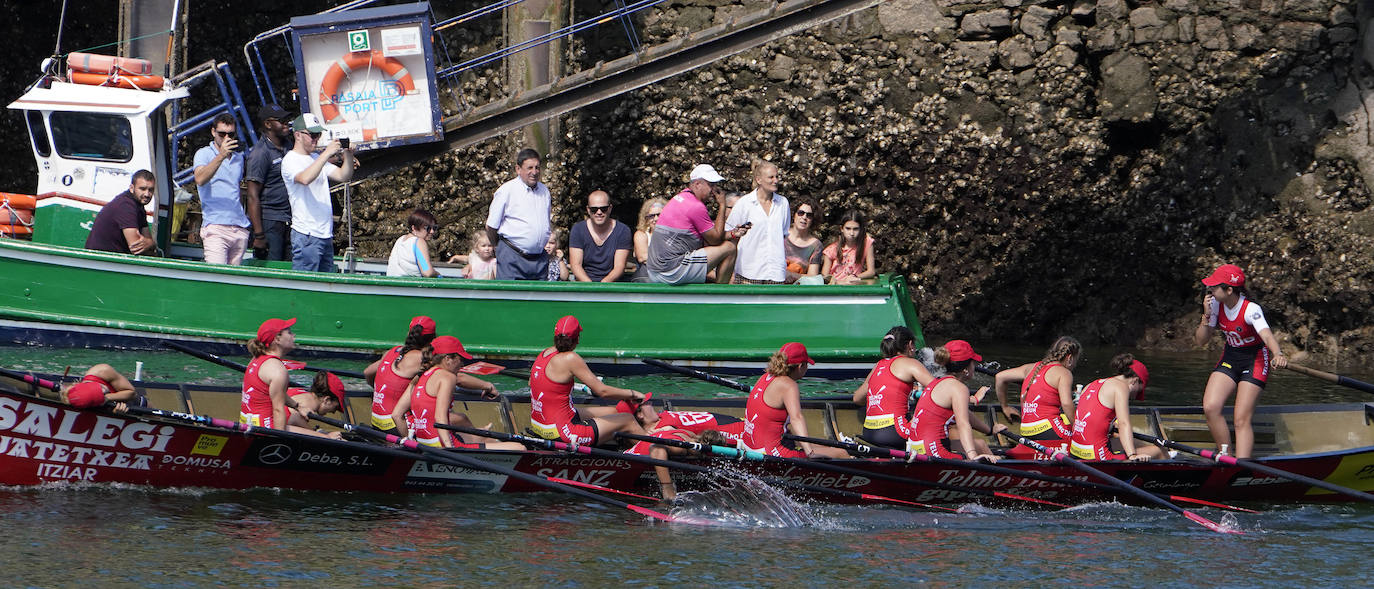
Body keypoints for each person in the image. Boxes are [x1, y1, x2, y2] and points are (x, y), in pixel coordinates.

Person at [1195, 263, 1288, 458]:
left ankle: (1243, 465)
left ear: (1229, 290)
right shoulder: (1215, 305)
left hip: (1255, 361)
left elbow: (1267, 336)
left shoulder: (1251, 309)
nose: (1210, 289)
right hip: (1231, 357)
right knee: (1210, 407)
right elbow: (1201, 340)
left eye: (1215, 286)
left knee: (1240, 419)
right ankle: (1225, 456)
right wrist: (1207, 314)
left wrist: (1278, 354)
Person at [529, 315, 648, 445]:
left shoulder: (544, 354)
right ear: (577, 339)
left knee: (616, 411)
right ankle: (654, 454)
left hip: (540, 426)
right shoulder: (570, 358)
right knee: (628, 419)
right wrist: (633, 394)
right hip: (564, 432)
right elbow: (603, 391)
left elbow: (531, 382)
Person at [389, 336, 520, 449]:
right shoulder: (447, 377)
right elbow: (440, 419)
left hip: (424, 443)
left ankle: (483, 437)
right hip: (441, 445)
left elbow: (396, 415)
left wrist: (411, 442)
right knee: (519, 447)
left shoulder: (420, 376)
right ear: (448, 359)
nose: (462, 364)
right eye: (460, 359)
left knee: (475, 433)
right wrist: (450, 449)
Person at [740, 342, 848, 458]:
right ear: (800, 366)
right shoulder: (789, 385)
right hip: (769, 452)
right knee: (841, 453)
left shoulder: (765, 377)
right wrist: (810, 452)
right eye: (807, 364)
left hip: (749, 446)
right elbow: (796, 418)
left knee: (822, 445)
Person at [908, 340, 1007, 462]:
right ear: (965, 369)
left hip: (915, 447)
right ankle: (998, 478)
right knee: (979, 452)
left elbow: (965, 414)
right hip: (933, 450)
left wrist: (990, 430)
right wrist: (973, 456)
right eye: (973, 363)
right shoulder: (959, 388)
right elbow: (963, 424)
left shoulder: (935, 382)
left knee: (980, 444)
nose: (974, 367)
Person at [646, 164, 745, 285]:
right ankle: (721, 295)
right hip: (670, 272)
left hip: (654, 271)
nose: (714, 190)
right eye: (711, 185)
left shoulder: (680, 197)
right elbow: (715, 241)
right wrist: (722, 205)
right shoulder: (696, 206)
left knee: (726, 242)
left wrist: (732, 234)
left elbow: (708, 237)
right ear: (697, 184)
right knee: (729, 248)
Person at [281, 113, 354, 272]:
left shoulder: (315, 157)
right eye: (313, 135)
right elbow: (305, 178)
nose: (316, 139)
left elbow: (343, 176)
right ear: (298, 135)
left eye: (318, 135)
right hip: (306, 235)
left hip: (325, 234)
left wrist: (348, 154)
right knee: (305, 287)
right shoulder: (290, 160)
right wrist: (326, 154)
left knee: (325, 287)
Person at [993, 336, 1082, 460]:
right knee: (1084, 441)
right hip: (1048, 429)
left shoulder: (1031, 367)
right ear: (1070, 358)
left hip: (1026, 430)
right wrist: (1079, 429)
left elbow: (999, 377)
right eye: (1076, 360)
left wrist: (1005, 406)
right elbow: (1067, 404)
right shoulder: (1064, 373)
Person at [1070, 354, 1167, 461]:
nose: (1134, 397)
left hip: (1075, 451)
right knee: (1160, 451)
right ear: (1134, 381)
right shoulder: (1121, 387)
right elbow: (1123, 424)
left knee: (1132, 442)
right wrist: (1132, 456)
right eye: (1138, 391)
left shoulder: (1092, 384)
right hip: (1097, 456)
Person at [852, 326, 933, 448]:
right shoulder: (910, 363)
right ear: (910, 345)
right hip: (896, 433)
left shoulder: (878, 366)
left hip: (869, 432)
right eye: (914, 346)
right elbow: (938, 389)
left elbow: (857, 399)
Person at [193, 112, 251, 265]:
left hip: (239, 226)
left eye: (230, 134)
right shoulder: (203, 154)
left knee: (234, 282)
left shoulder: (239, 157)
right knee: (217, 277)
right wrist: (221, 156)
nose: (226, 138)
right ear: (213, 132)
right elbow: (199, 179)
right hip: (215, 226)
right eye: (222, 134)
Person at [364, 315, 438, 434]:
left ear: (409, 332)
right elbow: (458, 378)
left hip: (376, 421)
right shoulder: (423, 358)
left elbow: (367, 372)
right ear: (433, 338)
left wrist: (382, 391)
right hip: (396, 426)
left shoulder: (392, 351)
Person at [486, 148, 551, 280]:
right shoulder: (507, 190)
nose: (534, 172)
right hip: (512, 256)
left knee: (539, 299)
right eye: (530, 168)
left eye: (537, 168)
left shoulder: (545, 191)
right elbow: (491, 226)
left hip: (539, 259)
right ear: (518, 169)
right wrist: (498, 248)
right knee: (510, 298)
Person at [724, 161, 789, 284]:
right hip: (748, 271)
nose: (775, 180)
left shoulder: (783, 203)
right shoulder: (744, 203)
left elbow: (783, 234)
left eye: (777, 176)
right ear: (759, 179)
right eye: (771, 177)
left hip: (776, 273)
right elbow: (728, 232)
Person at [244, 104, 294, 261]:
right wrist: (259, 235)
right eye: (282, 120)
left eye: (287, 119)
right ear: (268, 124)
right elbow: (252, 196)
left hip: (290, 219)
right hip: (270, 222)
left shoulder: (288, 146)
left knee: (290, 270)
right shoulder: (260, 154)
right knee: (273, 268)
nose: (287, 123)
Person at [240, 317, 298, 430]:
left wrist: (297, 406)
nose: (293, 335)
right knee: (329, 438)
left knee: (296, 416)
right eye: (290, 332)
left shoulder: (256, 359)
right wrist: (279, 441)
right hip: (266, 429)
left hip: (248, 425)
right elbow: (278, 410)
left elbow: (275, 392)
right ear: (277, 339)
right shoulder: (278, 370)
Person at [85, 169, 158, 256]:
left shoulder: (139, 206)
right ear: (131, 188)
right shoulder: (126, 206)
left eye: (151, 190)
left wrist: (150, 244)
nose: (147, 194)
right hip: (100, 260)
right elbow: (136, 247)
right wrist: (151, 244)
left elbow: (147, 240)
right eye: (142, 189)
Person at [569, 190, 632, 282]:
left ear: (610, 208)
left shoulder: (623, 231)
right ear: (588, 210)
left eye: (603, 209)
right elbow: (575, 265)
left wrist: (602, 286)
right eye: (594, 209)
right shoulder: (578, 230)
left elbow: (619, 266)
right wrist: (590, 287)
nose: (599, 212)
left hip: (612, 284)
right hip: (584, 284)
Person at [283, 371, 348, 439]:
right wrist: (326, 437)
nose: (334, 412)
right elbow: (285, 426)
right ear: (327, 400)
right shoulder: (300, 414)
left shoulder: (298, 391)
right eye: (335, 408)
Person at [821, 209, 876, 284]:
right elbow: (825, 278)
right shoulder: (831, 250)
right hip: (835, 287)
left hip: (853, 285)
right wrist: (841, 282)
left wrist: (855, 277)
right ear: (842, 229)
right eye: (848, 229)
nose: (852, 233)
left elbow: (871, 271)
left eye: (855, 229)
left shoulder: (866, 244)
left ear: (861, 229)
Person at [60, 364, 141, 413]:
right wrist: (115, 413)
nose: (104, 390)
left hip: (135, 402)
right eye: (101, 394)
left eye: (99, 388)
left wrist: (107, 397)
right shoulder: (84, 403)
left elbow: (132, 393)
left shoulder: (102, 371)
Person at [386, 208, 441, 277]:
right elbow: (427, 272)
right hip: (409, 285)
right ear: (414, 228)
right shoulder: (419, 242)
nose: (432, 231)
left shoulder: (400, 240)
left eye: (434, 228)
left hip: (391, 283)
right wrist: (437, 274)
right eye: (428, 228)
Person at [784, 198, 823, 282]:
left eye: (809, 215)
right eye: (801, 213)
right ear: (794, 214)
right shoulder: (781, 236)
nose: (804, 217)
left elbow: (813, 277)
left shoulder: (815, 245)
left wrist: (792, 275)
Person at [630, 197, 666, 282]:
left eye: (659, 214)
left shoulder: (673, 234)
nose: (656, 219)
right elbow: (643, 258)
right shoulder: (641, 234)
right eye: (651, 216)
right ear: (646, 218)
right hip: (647, 279)